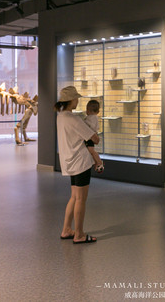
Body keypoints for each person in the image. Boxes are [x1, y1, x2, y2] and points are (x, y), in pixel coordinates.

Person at [54, 86, 102, 244]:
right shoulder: (73, 119)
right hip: (80, 162)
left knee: (74, 197)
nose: (78, 101)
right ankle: (79, 234)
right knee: (81, 199)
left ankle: (66, 229)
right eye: (76, 98)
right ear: (71, 100)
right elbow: (95, 139)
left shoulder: (61, 117)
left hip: (69, 161)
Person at [83, 99, 104, 173]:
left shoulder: (91, 118)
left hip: (90, 138)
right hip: (90, 137)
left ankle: (99, 162)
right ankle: (97, 163)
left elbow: (88, 127)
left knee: (92, 151)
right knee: (91, 151)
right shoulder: (94, 117)